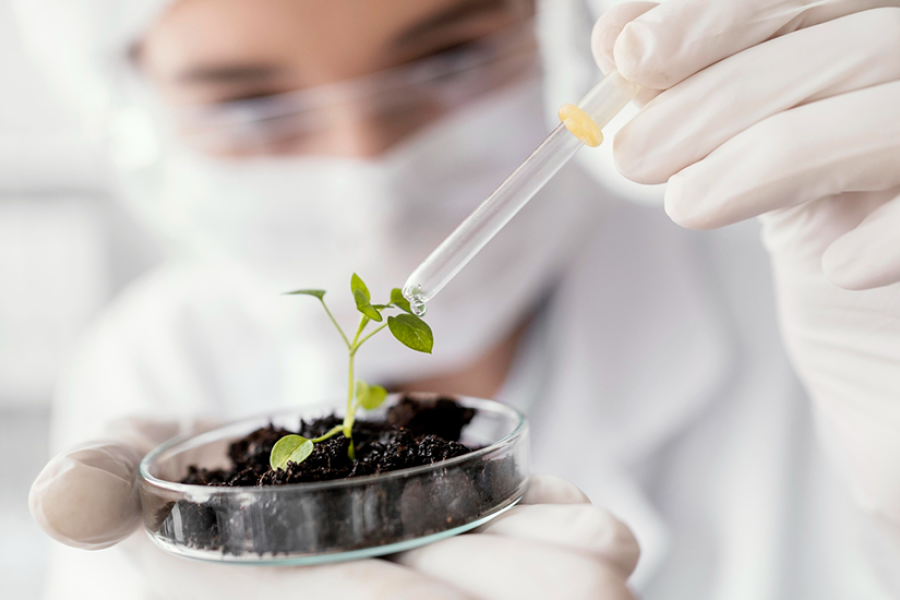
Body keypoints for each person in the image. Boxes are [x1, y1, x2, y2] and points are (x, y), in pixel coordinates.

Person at [17, 0, 900, 598]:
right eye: (252, 107)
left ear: (554, 28)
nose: (370, 176)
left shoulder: (833, 278)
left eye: (448, 58)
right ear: (129, 110)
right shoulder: (156, 358)